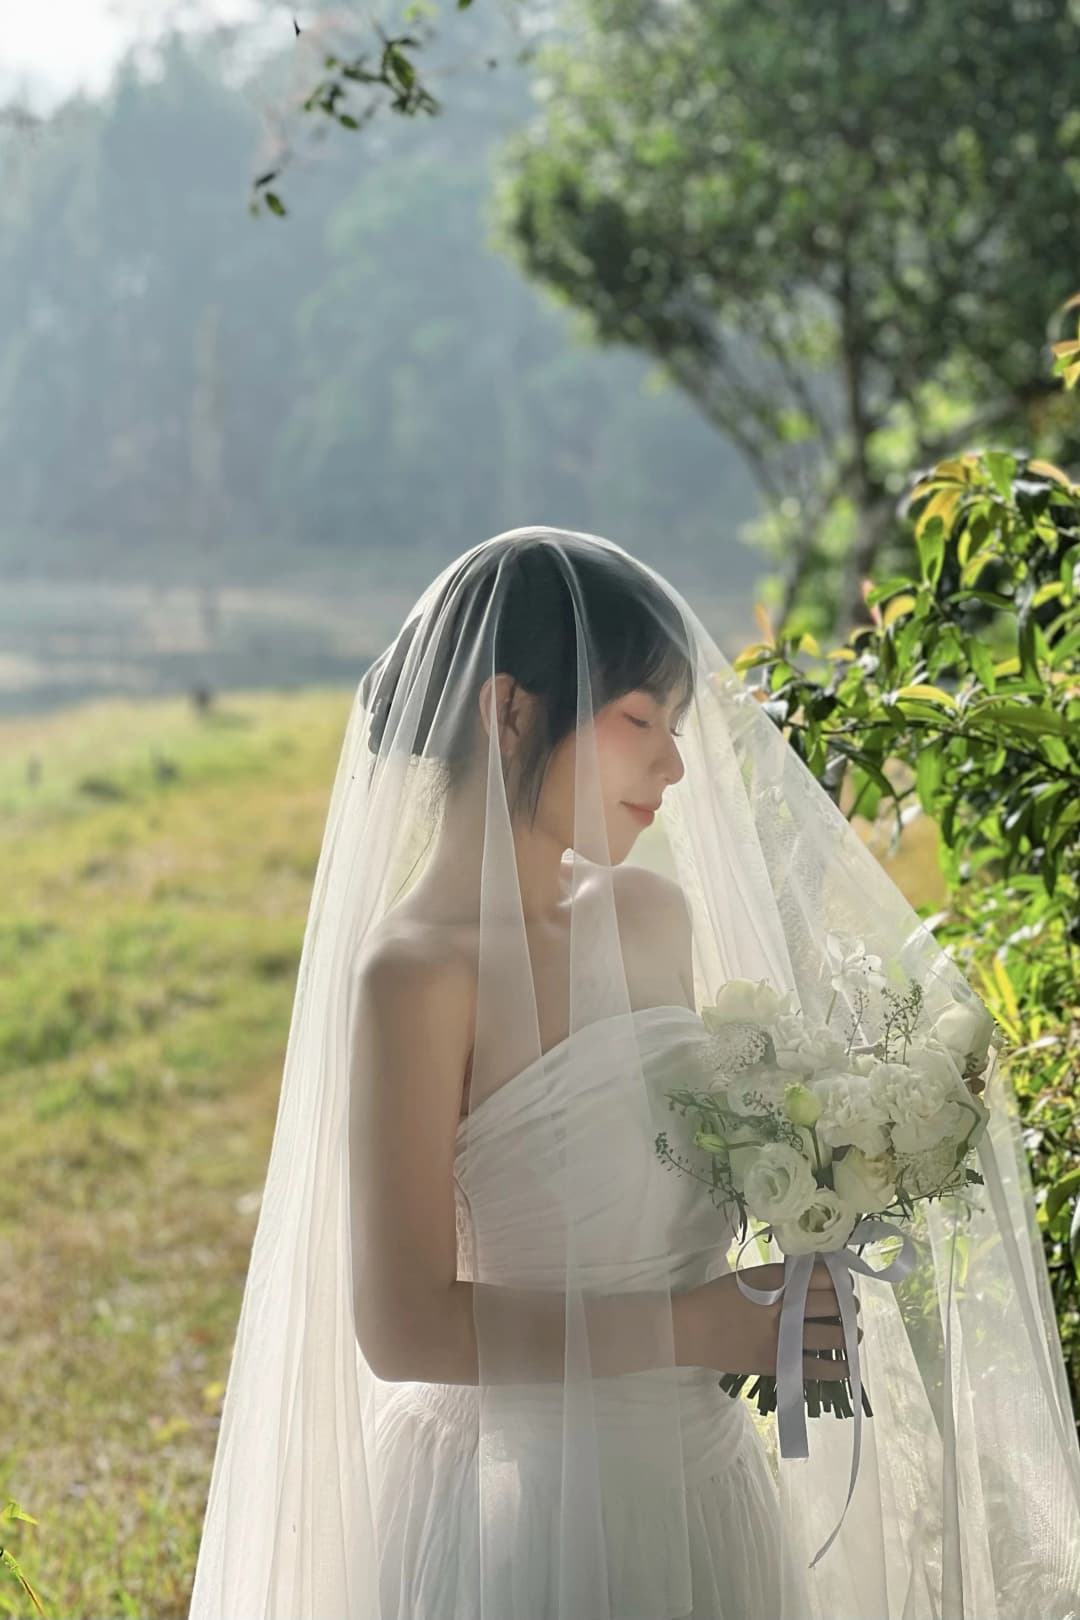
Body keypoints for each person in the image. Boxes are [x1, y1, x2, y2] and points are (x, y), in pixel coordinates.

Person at [187, 526, 1080, 1620]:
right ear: (509, 712)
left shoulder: (653, 918)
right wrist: (695, 1325)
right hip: (523, 1505)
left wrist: (808, 1229)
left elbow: (666, 1190)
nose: (672, 766)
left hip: (703, 1478)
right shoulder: (418, 976)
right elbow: (403, 1325)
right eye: (639, 722)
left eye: (676, 728)